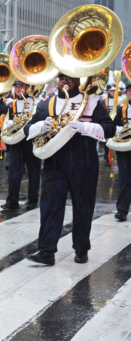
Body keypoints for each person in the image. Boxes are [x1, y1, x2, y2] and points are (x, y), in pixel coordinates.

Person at [24, 73, 115, 265]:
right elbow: (27, 129)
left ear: (78, 82)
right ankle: (46, 251)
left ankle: (81, 249)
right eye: (62, 79)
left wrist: (85, 127)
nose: (65, 83)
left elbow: (110, 129)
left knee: (83, 207)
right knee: (50, 207)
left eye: (70, 80)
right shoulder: (46, 104)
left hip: (83, 162)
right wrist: (41, 125)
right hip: (54, 163)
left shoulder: (91, 103)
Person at [1, 80, 41, 211]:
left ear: (28, 87)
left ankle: (33, 200)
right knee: (14, 171)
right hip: (16, 141)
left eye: (21, 86)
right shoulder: (12, 104)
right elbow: (7, 121)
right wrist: (10, 125)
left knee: (34, 171)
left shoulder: (36, 102)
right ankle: (12, 201)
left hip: (31, 140)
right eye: (16, 86)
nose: (18, 89)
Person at [112, 84, 131, 222]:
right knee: (124, 179)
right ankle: (122, 210)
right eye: (130, 91)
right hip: (124, 149)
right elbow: (111, 126)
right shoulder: (120, 108)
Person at [101, 84, 116, 166]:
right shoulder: (103, 101)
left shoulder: (120, 100)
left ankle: (113, 157)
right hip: (107, 123)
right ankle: (108, 159)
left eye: (115, 91)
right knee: (107, 143)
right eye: (112, 91)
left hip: (116, 124)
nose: (113, 92)